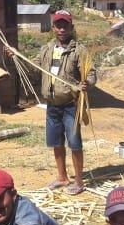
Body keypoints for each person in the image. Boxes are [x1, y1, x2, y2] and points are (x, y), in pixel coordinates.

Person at [38, 10, 96, 194]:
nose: (62, 29)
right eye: (58, 25)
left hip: (71, 105)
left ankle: (79, 182)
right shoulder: (46, 49)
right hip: (52, 105)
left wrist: (87, 83)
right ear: (53, 27)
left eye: (65, 25)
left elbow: (92, 73)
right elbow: (32, 64)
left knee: (75, 143)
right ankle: (62, 177)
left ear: (71, 27)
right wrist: (14, 55)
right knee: (56, 142)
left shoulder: (79, 50)